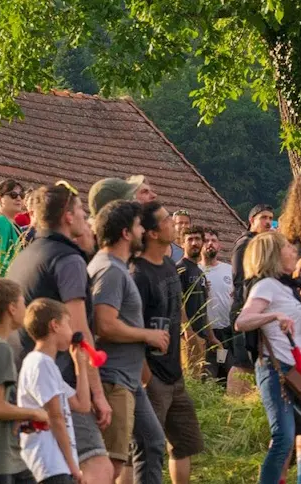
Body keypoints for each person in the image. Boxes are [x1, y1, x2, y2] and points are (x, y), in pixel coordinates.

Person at [6, 184, 113, 484]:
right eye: (80, 211)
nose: (84, 217)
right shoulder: (68, 260)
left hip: (21, 380)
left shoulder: (25, 257)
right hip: (59, 382)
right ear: (68, 216)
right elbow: (79, 331)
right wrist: (98, 394)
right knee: (98, 471)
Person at [234, 232, 301, 484]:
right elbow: (242, 321)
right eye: (286, 248)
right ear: (272, 254)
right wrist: (272, 317)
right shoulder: (265, 285)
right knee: (283, 437)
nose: (294, 250)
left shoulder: (289, 286)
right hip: (277, 371)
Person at [86, 202, 166, 484]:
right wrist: (147, 335)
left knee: (152, 443)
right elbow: (104, 324)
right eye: (138, 225)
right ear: (125, 233)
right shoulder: (110, 270)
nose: (143, 230)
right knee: (111, 464)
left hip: (128, 379)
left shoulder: (115, 267)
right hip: (113, 379)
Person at [129, 202, 204, 484]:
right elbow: (130, 328)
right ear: (151, 233)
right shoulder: (138, 274)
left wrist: (187, 328)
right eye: (166, 221)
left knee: (184, 444)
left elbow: (177, 305)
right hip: (152, 376)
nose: (174, 225)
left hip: (175, 373)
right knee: (147, 451)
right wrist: (146, 377)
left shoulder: (170, 266)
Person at [0, 278, 47, 484]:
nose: (26, 309)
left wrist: (19, 417)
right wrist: (36, 413)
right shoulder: (0, 349)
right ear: (12, 308)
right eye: (23, 303)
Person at [18, 299, 92, 484]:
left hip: (59, 465)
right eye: (68, 323)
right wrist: (73, 467)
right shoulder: (40, 363)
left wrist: (79, 365)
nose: (71, 330)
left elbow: (82, 405)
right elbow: (56, 417)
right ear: (55, 325)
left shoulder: (48, 365)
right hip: (49, 464)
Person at [225, 203, 273, 396]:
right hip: (243, 308)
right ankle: (234, 407)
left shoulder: (261, 243)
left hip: (256, 310)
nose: (268, 222)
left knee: (253, 362)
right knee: (242, 363)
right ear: (252, 220)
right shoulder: (245, 243)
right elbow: (240, 279)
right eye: (264, 218)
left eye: (271, 218)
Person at [176, 229, 218, 380]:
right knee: (189, 379)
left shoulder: (200, 271)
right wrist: (186, 329)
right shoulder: (180, 268)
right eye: (190, 239)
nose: (194, 243)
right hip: (187, 336)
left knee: (198, 378)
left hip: (201, 335)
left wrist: (211, 336)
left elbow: (203, 306)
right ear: (182, 243)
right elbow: (177, 302)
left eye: (198, 239)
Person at [199, 229, 233, 384]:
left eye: (213, 240)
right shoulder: (196, 271)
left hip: (228, 332)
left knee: (229, 372)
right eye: (206, 241)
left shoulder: (229, 270)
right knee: (208, 376)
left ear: (219, 246)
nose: (210, 244)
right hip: (205, 333)